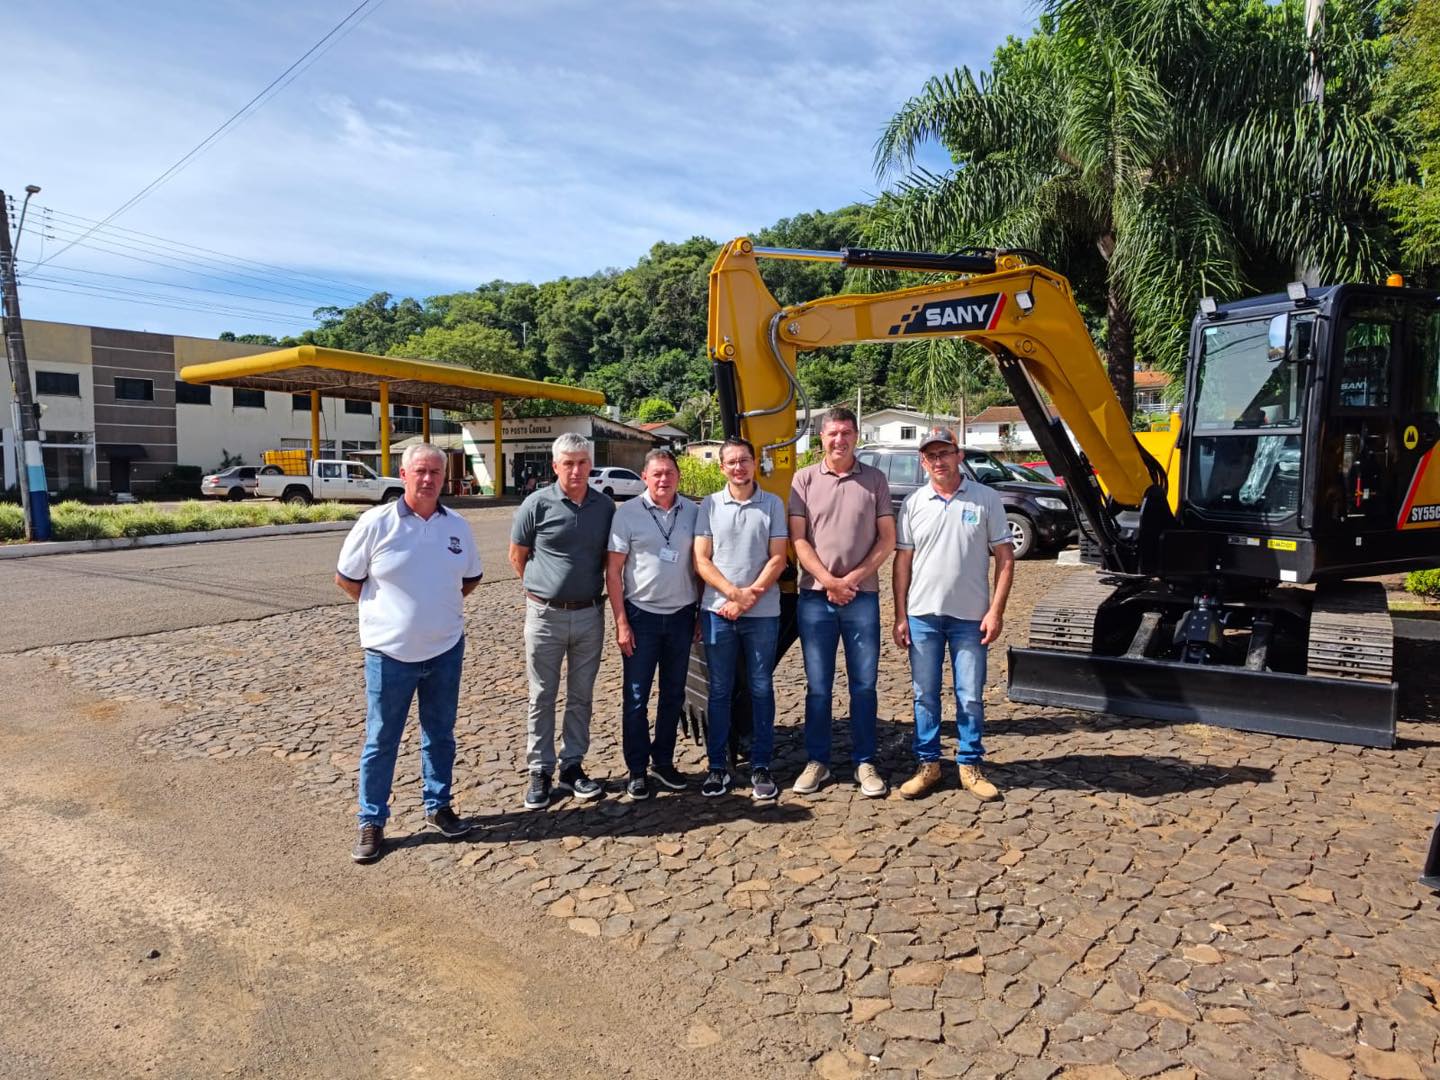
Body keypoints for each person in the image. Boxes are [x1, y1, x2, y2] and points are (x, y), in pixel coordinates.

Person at [336, 442, 484, 863]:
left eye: (435, 472)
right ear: (403, 475)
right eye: (420, 471)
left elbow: (470, 578)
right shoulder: (375, 523)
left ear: (444, 477)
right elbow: (347, 579)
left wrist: (434, 611)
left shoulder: (457, 526)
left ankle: (439, 806)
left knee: (440, 735)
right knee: (382, 739)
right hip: (389, 655)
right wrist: (387, 614)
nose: (428, 479)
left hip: (445, 650)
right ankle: (371, 820)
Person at [891, 428, 1015, 802]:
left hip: (971, 618)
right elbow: (902, 562)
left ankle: (969, 765)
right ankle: (928, 765)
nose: (938, 461)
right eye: (931, 456)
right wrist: (900, 614)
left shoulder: (985, 498)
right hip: (922, 616)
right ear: (922, 462)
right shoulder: (914, 503)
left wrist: (996, 611)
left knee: (970, 695)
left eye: (945, 453)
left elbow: (1005, 558)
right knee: (924, 695)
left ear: (959, 455)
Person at [788, 407, 895, 798]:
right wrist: (829, 581)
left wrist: (850, 580)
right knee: (818, 686)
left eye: (846, 432)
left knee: (864, 685)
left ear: (856, 436)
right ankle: (817, 761)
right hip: (815, 598)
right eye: (833, 433)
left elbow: (887, 539)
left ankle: (865, 761)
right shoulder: (803, 479)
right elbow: (798, 540)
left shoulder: (874, 479)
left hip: (861, 597)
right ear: (821, 437)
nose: (839, 440)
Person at [509, 433, 615, 810]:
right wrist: (542, 591)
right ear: (555, 466)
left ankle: (572, 765)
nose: (576, 469)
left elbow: (610, 559)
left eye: (582, 462)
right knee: (542, 694)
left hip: (589, 614)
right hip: (545, 616)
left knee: (581, 695)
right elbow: (517, 556)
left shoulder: (605, 507)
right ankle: (540, 769)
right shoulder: (536, 504)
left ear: (591, 464)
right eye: (568, 463)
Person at [693, 436, 788, 801]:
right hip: (718, 612)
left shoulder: (773, 504)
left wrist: (749, 598)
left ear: (754, 462)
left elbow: (778, 558)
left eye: (744, 460)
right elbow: (702, 559)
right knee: (719, 690)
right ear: (722, 468)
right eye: (731, 462)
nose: (738, 467)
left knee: (761, 687)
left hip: (762, 613)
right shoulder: (710, 505)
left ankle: (761, 764)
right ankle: (718, 766)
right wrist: (734, 594)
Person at [605, 449, 699, 799]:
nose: (663, 479)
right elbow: (613, 572)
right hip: (641, 616)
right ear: (644, 477)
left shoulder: (693, 512)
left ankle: (663, 761)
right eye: (657, 473)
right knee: (635, 697)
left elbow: (701, 564)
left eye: (669, 472)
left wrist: (700, 612)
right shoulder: (627, 514)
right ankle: (637, 769)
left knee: (673, 695)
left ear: (678, 476)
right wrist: (621, 622)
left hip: (681, 616)